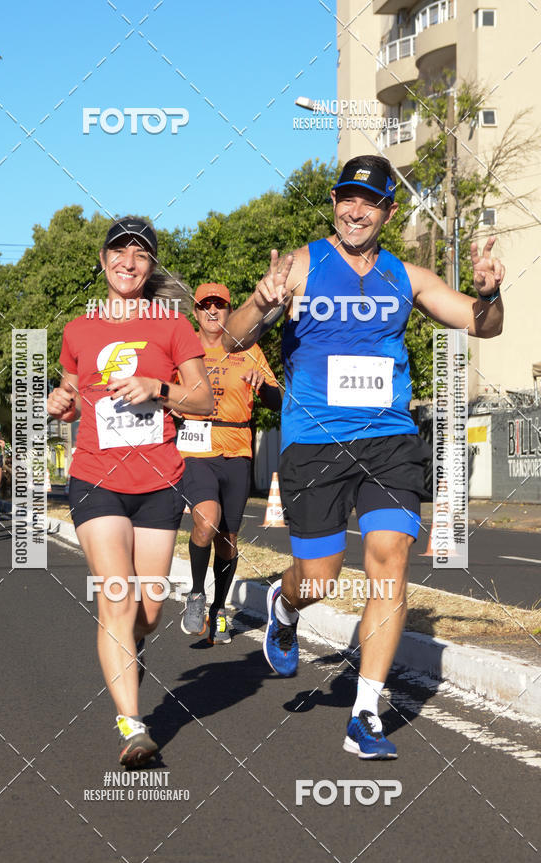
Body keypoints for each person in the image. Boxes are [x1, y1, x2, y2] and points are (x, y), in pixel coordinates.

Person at [223, 155, 504, 759]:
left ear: (388, 213)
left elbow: (484, 326)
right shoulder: (300, 266)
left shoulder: (407, 276)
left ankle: (366, 713)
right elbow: (234, 337)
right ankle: (284, 606)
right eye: (348, 198)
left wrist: (490, 293)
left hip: (389, 439)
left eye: (370, 202)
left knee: (389, 561)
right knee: (319, 578)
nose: (357, 211)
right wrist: (261, 300)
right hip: (314, 442)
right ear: (333, 202)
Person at [47, 216, 213, 768]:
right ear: (103, 261)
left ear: (151, 266)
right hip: (96, 478)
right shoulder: (78, 330)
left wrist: (157, 388)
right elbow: (72, 392)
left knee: (149, 610)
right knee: (116, 596)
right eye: (119, 251)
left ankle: (131, 646)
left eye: (141, 254)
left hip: (160, 481)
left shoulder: (174, 326)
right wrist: (59, 401)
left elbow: (203, 399)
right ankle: (133, 726)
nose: (128, 261)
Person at [178, 283, 281, 644]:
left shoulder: (247, 347)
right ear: (195, 312)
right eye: (205, 305)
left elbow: (276, 401)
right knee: (206, 521)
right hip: (196, 449)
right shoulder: (184, 347)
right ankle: (196, 594)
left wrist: (262, 385)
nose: (212, 311)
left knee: (228, 539)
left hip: (238, 451)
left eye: (219, 305)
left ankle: (219, 608)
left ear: (230, 311)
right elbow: (165, 392)